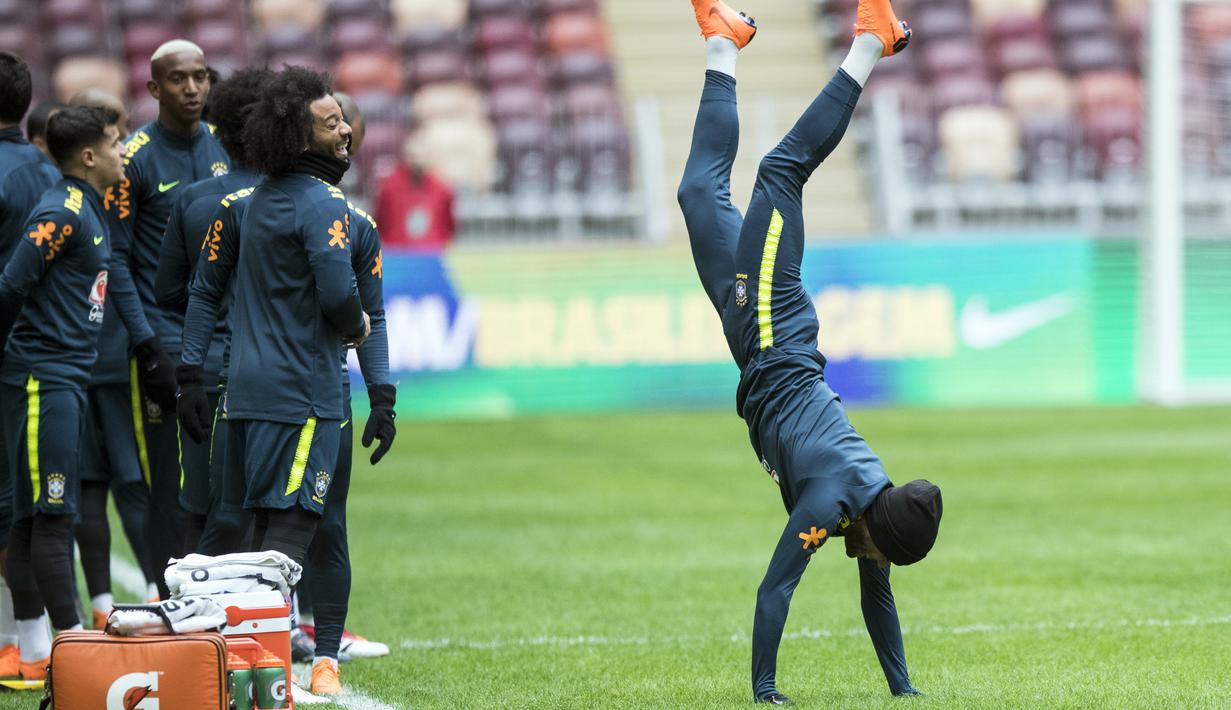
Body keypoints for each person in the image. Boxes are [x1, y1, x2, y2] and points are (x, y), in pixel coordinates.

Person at [678, 1, 941, 703]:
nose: (878, 567)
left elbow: (876, 605)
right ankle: (868, 44)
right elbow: (774, 591)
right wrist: (764, 693)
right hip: (771, 328)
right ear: (882, 532)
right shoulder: (833, 502)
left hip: (755, 343)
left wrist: (902, 689)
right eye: (886, 557)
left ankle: (723, 44)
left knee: (697, 193)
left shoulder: (869, 511)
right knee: (779, 172)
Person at [223, 67, 369, 571]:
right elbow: (337, 292)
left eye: (342, 119)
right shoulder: (324, 202)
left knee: (262, 525)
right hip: (301, 390)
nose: (346, 129)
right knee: (292, 528)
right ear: (299, 137)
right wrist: (358, 325)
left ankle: (254, 648)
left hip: (248, 387)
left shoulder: (257, 199)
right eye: (331, 124)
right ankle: (263, 650)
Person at [0, 105, 126, 679]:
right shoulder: (60, 211)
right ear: (90, 155)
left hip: (62, 378)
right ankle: (76, 653)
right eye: (117, 142)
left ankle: (32, 653)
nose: (124, 151)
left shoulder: (90, 207)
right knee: (52, 516)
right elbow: (10, 283)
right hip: (41, 380)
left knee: (33, 520)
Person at [110, 39, 230, 598]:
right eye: (179, 79)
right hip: (163, 341)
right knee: (167, 478)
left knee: (225, 470)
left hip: (222, 340)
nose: (192, 89)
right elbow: (117, 257)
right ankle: (168, 595)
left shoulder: (225, 147)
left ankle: (224, 592)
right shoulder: (134, 159)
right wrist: (146, 342)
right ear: (154, 88)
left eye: (201, 77)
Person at [301, 91, 396, 696]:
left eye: (349, 128)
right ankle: (259, 637)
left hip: (326, 389)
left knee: (328, 524)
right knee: (245, 524)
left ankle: (321, 647)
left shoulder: (355, 222)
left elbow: (372, 313)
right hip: (258, 392)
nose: (347, 138)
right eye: (335, 127)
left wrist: (381, 393)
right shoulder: (246, 210)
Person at [154, 67, 272, 556]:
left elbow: (167, 292)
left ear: (217, 130)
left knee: (200, 509)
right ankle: (277, 625)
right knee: (272, 511)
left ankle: (196, 625)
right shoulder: (297, 202)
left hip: (203, 370)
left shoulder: (192, 201)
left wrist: (212, 310)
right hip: (272, 374)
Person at [68, 88, 160, 624]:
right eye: (118, 133)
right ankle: (138, 592)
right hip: (111, 356)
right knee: (124, 479)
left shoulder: (80, 193)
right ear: (96, 143)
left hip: (84, 358)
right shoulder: (96, 197)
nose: (125, 143)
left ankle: (111, 600)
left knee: (97, 482)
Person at [0, 49, 64, 679]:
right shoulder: (49, 177)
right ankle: (33, 641)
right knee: (29, 504)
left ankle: (24, 643)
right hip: (38, 363)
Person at [374, 130, 455, 252]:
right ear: (406, 157)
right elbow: (380, 222)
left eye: (422, 156)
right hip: (397, 253)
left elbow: (448, 226)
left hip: (431, 254)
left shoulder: (442, 189)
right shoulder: (389, 188)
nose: (418, 162)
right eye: (414, 156)